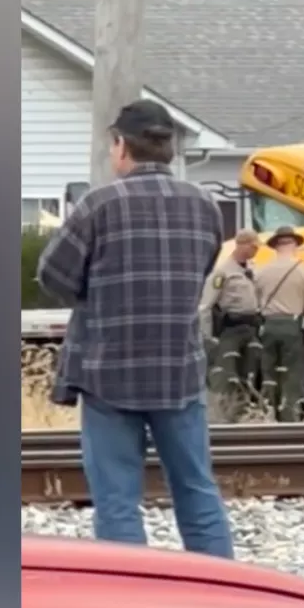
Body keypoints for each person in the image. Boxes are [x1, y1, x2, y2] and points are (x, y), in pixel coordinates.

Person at [37, 99, 235, 560]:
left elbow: (53, 276)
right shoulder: (206, 206)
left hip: (110, 370)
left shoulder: (98, 205)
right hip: (178, 371)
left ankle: (130, 598)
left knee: (117, 500)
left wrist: (95, 294)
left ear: (121, 145)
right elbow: (204, 267)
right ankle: (219, 591)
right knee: (196, 490)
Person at [252, 226, 304, 421]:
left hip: (268, 327)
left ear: (275, 246)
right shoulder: (303, 272)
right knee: (292, 377)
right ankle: (289, 420)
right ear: (294, 244)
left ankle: (267, 416)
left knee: (269, 376)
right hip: (292, 328)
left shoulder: (261, 272)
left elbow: (254, 303)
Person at [199, 228, 263, 422]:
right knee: (227, 373)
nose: (255, 251)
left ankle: (244, 413)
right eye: (253, 247)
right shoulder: (223, 272)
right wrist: (207, 336)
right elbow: (205, 305)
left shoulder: (250, 270)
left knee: (249, 373)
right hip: (230, 329)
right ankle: (223, 414)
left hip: (250, 328)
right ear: (242, 245)